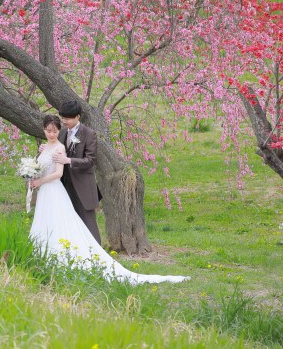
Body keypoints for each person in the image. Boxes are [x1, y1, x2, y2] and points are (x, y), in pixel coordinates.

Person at [29, 115, 188, 284]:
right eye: (48, 130)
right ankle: (43, 255)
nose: (52, 133)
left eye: (55, 130)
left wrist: (44, 176)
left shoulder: (77, 139)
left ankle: (88, 256)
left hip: (63, 188)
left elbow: (77, 164)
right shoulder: (52, 143)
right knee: (48, 222)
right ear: (44, 130)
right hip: (52, 191)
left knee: (72, 224)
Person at [53, 100, 102, 244]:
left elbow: (90, 161)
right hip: (64, 185)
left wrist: (69, 160)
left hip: (83, 187)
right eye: (63, 118)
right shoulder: (62, 133)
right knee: (68, 222)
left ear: (78, 117)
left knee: (89, 223)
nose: (64, 121)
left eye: (68, 118)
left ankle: (97, 257)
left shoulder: (89, 134)